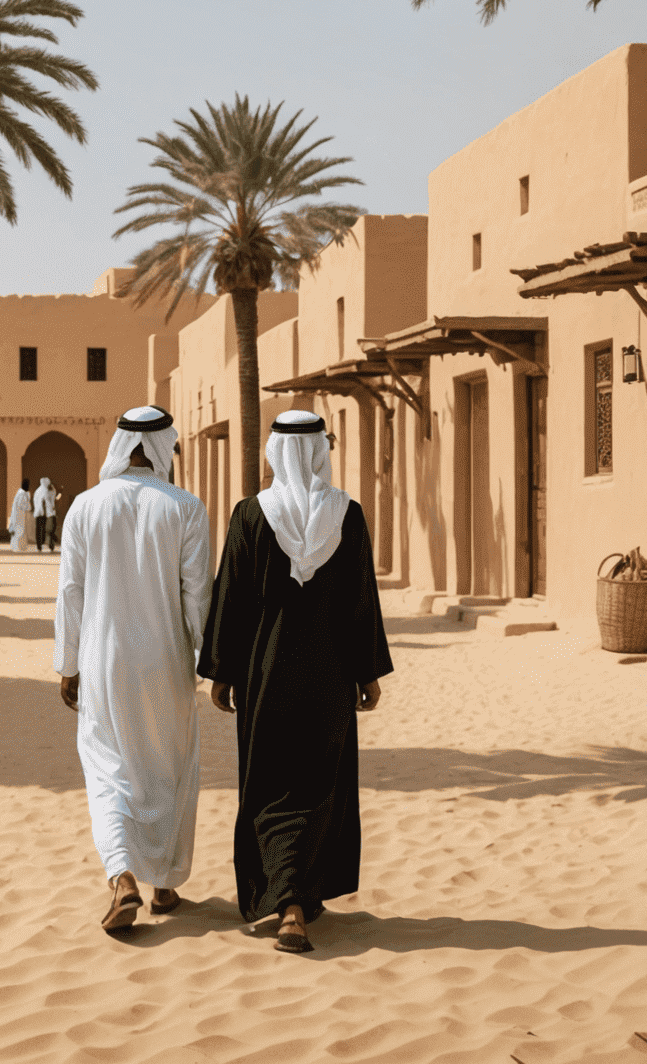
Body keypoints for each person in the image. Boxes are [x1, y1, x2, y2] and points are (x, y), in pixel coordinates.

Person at [197, 410, 392, 954]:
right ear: (319, 452)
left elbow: (230, 600)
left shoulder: (250, 517)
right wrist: (367, 673)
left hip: (266, 677)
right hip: (328, 679)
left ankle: (286, 903)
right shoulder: (347, 516)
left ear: (276, 452)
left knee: (271, 786)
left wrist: (223, 673)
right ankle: (299, 899)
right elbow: (361, 603)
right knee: (318, 785)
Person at [54, 406, 211, 933]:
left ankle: (122, 876)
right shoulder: (186, 508)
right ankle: (165, 883)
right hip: (166, 661)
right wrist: (206, 660)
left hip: (103, 661)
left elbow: (70, 595)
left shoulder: (84, 506)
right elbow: (197, 597)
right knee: (168, 766)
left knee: (106, 771)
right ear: (163, 446)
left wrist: (68, 664)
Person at [34, 475, 58, 552]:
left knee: (42, 530)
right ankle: (43, 545)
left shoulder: (38, 491)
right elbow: (50, 502)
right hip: (45, 514)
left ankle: (40, 546)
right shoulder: (46, 490)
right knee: (46, 530)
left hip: (42, 514)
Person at [10, 478, 32, 551]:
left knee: (16, 531)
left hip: (17, 515)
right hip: (19, 515)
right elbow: (21, 504)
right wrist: (28, 507)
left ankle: (14, 546)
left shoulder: (20, 492)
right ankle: (15, 547)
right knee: (19, 531)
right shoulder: (22, 493)